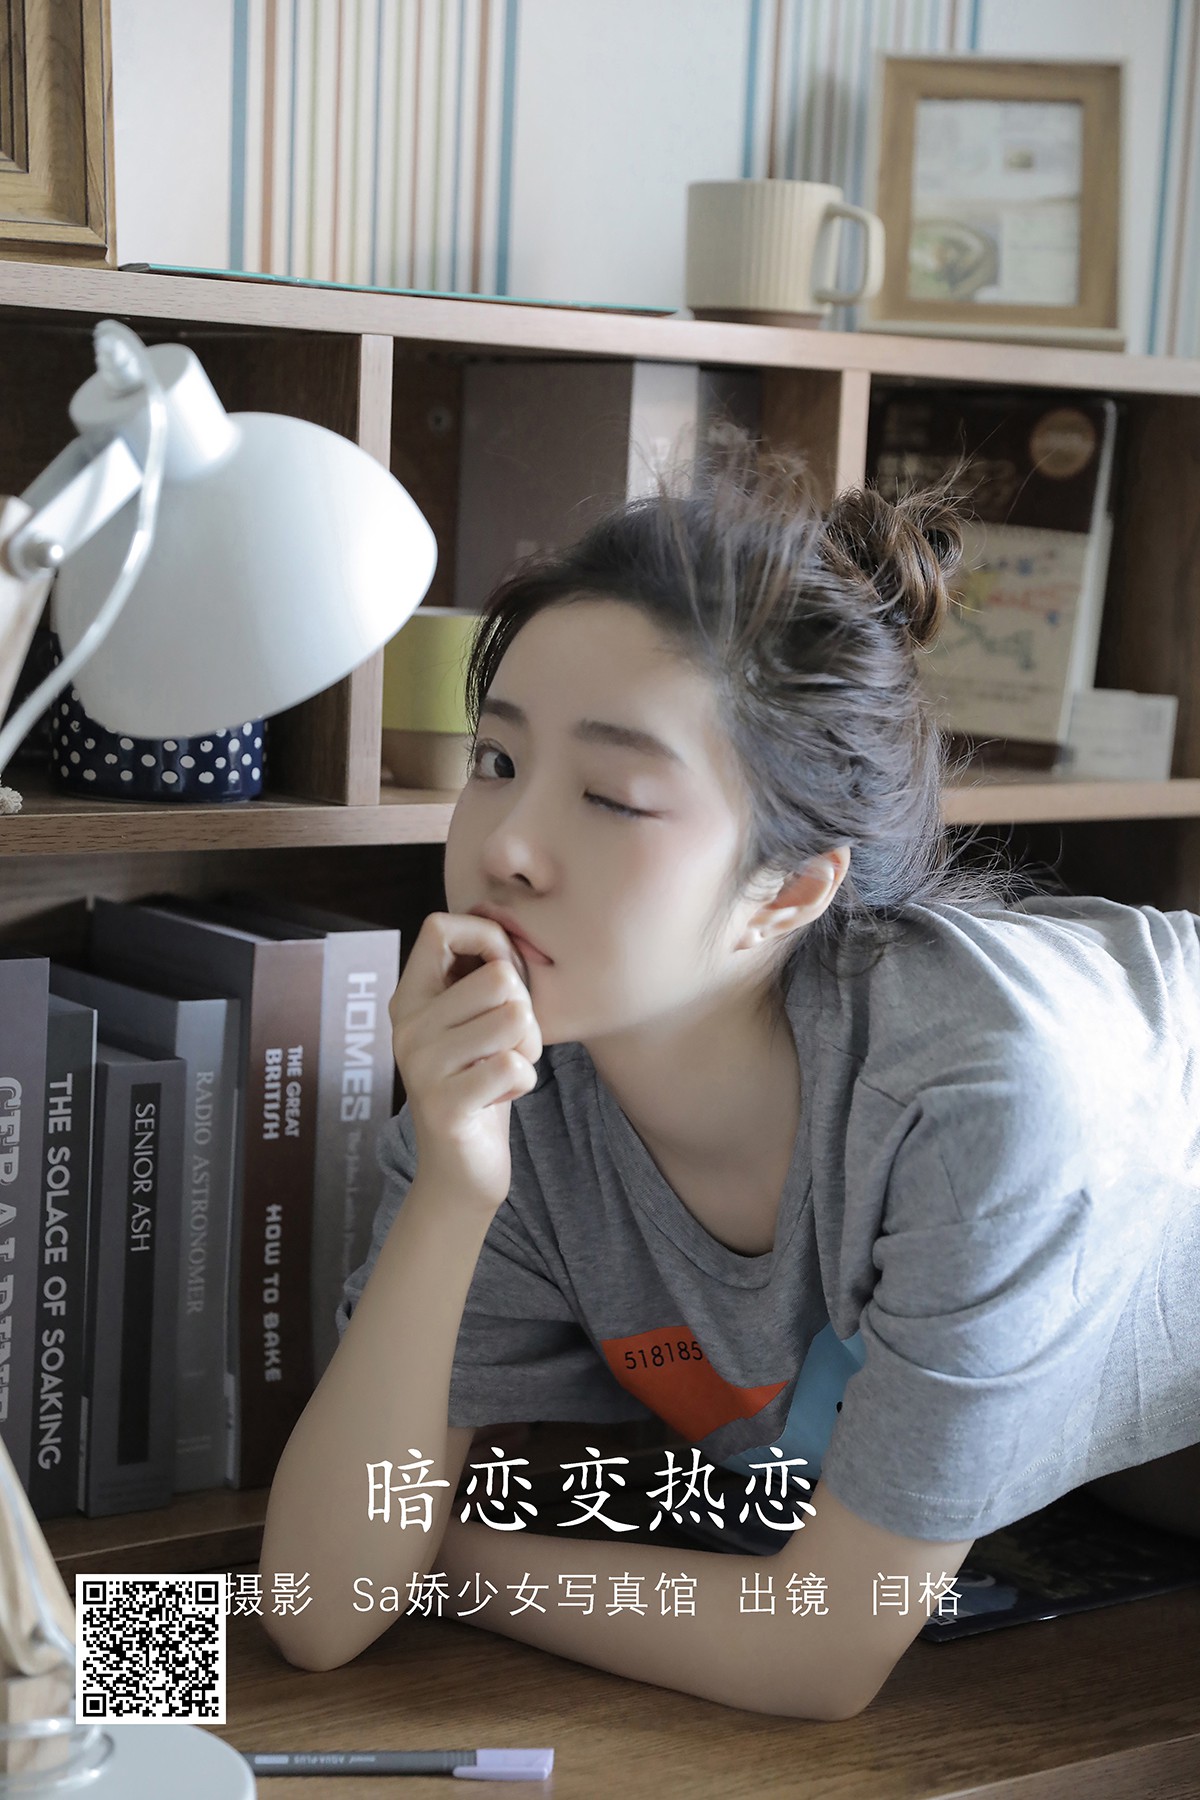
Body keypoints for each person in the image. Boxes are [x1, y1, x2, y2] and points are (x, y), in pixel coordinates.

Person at [259, 432, 1200, 1716]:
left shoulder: (979, 1097)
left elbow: (822, 1654)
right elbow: (316, 1611)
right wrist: (452, 1193)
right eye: (497, 761)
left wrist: (445, 1560)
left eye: (612, 794)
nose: (509, 846)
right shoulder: (513, 1087)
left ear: (788, 892)